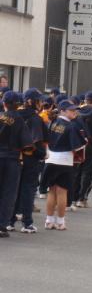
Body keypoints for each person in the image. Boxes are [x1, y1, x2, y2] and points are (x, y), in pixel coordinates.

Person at [43, 100, 87, 230]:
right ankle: (60, 222)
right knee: (62, 192)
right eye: (71, 110)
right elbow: (78, 145)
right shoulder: (71, 126)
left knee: (51, 191)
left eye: (75, 110)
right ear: (62, 111)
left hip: (50, 158)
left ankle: (49, 220)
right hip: (65, 160)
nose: (74, 112)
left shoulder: (51, 123)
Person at [8, 88, 48, 233]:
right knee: (28, 190)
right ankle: (27, 223)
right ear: (32, 101)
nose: (41, 103)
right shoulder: (35, 118)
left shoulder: (15, 115)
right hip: (31, 158)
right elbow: (36, 141)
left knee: (14, 190)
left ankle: (10, 221)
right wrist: (42, 154)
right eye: (39, 100)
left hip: (14, 158)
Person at [0, 91, 33, 237]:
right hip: (12, 159)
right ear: (17, 104)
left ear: (4, 103)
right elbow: (27, 145)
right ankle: (1, 225)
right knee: (8, 193)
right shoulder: (19, 120)